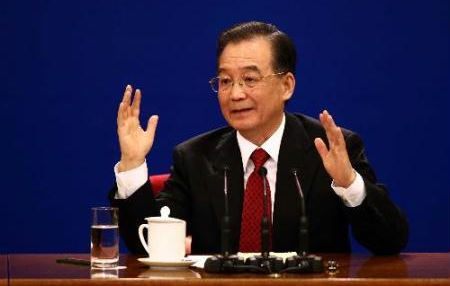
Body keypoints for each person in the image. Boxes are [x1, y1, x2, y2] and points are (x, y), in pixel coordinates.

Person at [109, 21, 408, 255]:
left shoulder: (330, 148)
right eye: (225, 81)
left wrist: (349, 184)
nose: (235, 94)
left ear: (287, 85)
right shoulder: (194, 157)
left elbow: (390, 241)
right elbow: (149, 247)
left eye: (250, 79)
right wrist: (133, 165)